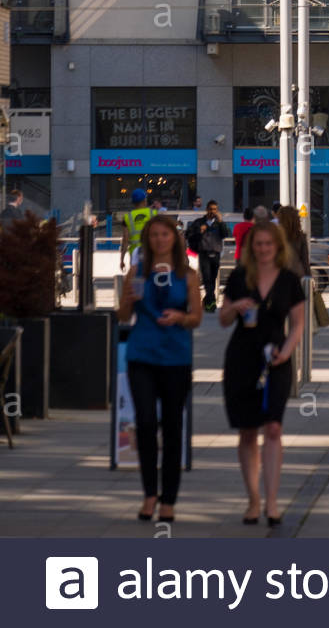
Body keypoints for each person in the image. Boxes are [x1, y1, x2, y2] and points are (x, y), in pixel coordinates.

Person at [117, 215, 202, 523]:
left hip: (176, 358)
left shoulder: (188, 275)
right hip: (141, 355)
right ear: (148, 240)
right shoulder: (137, 273)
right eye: (154, 235)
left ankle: (169, 499)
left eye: (165, 234)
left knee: (172, 427)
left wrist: (180, 318)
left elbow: (197, 317)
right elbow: (123, 317)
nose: (159, 240)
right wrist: (127, 299)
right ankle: (149, 494)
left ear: (174, 238)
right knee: (146, 422)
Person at [220, 221, 305, 527]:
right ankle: (253, 500)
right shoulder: (239, 277)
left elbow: (297, 324)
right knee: (247, 431)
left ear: (278, 246)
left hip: (277, 360)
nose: (264, 248)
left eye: (269, 243)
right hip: (242, 359)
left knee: (273, 429)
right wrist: (236, 307)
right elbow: (222, 319)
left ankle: (271, 502)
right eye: (258, 243)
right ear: (251, 247)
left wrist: (289, 349)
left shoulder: (289, 280)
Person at [187, 200, 229, 312]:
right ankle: (211, 303)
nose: (212, 212)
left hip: (215, 254)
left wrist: (221, 222)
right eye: (211, 209)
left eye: (215, 209)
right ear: (207, 210)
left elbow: (225, 234)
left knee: (213, 278)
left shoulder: (219, 223)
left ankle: (208, 301)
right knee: (206, 279)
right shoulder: (199, 222)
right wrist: (199, 231)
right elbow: (189, 235)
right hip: (204, 253)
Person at [120, 189, 157, 270]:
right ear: (145, 200)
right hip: (151, 251)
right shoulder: (153, 214)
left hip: (135, 254)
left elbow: (125, 240)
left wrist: (122, 260)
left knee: (136, 280)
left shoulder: (127, 217)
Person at [276, 205, 311, 279]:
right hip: (297, 274)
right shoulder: (301, 237)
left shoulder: (274, 236)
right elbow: (305, 261)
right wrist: (309, 277)